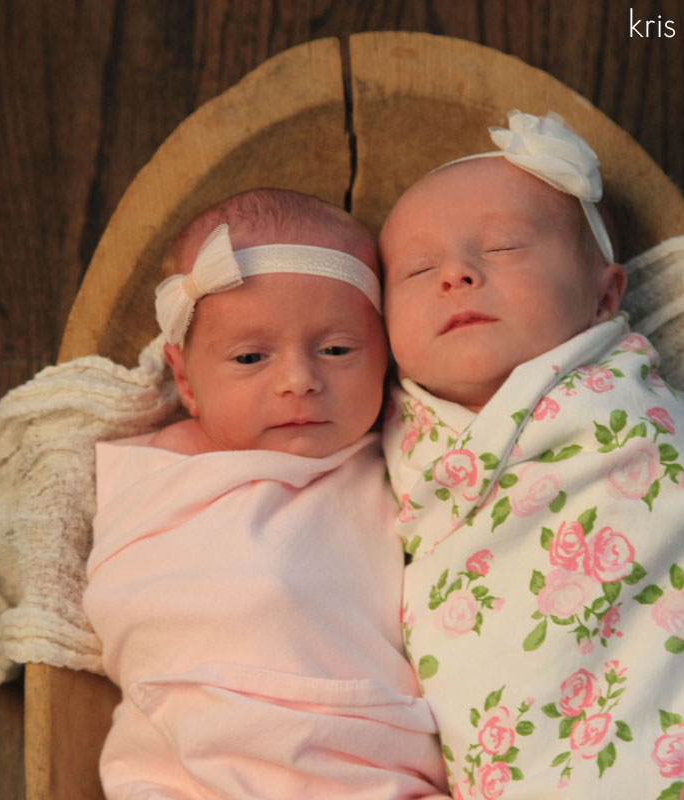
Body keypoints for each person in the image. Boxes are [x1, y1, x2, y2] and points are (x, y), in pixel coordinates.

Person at [378, 111, 684, 798]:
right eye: (417, 268)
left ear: (604, 296)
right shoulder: (380, 437)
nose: (457, 274)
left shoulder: (625, 406)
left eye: (502, 247)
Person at [82, 189, 449, 799]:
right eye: (251, 357)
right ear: (185, 380)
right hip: (193, 752)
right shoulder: (165, 470)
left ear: (386, 356)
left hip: (364, 756)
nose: (299, 381)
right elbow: (129, 599)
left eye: (336, 350)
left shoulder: (404, 452)